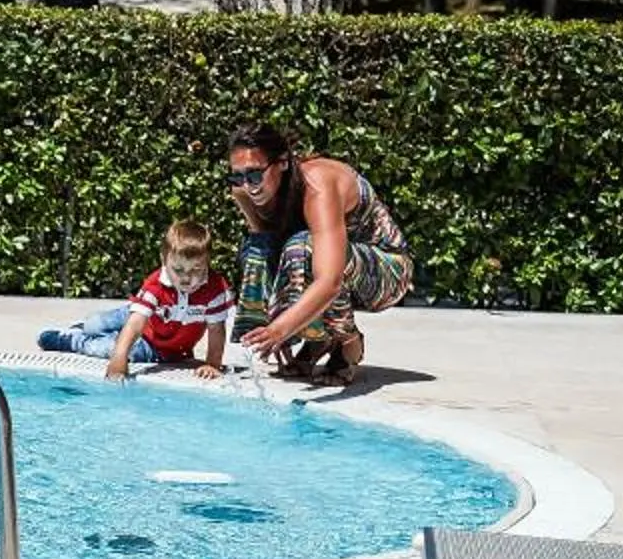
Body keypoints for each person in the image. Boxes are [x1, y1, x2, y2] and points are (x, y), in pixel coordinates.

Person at [225, 128, 412, 386]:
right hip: (337, 267)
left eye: (255, 174)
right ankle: (319, 340)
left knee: (304, 247)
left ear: (282, 163)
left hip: (387, 272)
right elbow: (269, 249)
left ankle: (348, 343)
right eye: (237, 177)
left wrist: (280, 329)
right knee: (258, 249)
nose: (247, 185)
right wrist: (274, 317)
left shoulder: (317, 184)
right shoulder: (249, 189)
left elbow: (329, 280)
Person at [37, 219, 234, 379]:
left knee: (105, 348)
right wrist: (118, 361)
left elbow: (216, 329)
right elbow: (135, 324)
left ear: (208, 262)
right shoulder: (157, 284)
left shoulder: (214, 288)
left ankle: (71, 340)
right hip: (137, 316)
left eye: (196, 270)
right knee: (93, 324)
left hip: (155, 346)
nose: (186, 278)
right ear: (164, 260)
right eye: (178, 269)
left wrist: (212, 364)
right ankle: (84, 329)